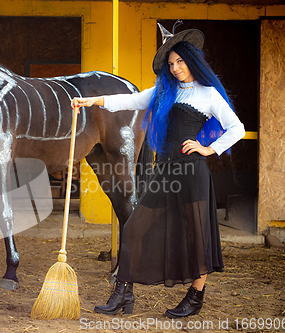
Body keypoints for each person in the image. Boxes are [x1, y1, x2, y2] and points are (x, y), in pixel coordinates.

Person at [71, 21, 245, 318]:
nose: (176, 68)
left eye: (180, 61)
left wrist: (207, 148)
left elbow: (236, 128)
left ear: (192, 60)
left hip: (192, 175)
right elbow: (130, 100)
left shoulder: (208, 94)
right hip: (163, 173)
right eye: (171, 64)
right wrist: (92, 100)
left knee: (196, 237)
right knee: (135, 228)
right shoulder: (165, 91)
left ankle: (195, 297)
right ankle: (123, 293)